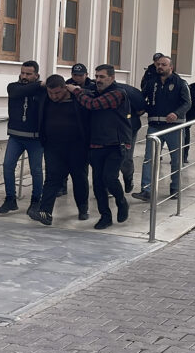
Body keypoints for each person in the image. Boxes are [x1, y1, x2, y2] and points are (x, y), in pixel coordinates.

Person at [67, 64, 132, 230]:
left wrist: (76, 90)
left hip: (115, 144)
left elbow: (93, 104)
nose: (98, 80)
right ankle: (105, 216)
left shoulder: (118, 93)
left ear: (112, 78)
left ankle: (121, 201)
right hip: (96, 144)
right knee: (97, 183)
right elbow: (89, 97)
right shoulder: (95, 92)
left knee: (109, 178)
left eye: (102, 77)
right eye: (96, 77)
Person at [28, 74, 90, 226]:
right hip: (53, 146)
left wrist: (76, 90)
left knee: (79, 177)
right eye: (51, 93)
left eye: (57, 93)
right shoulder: (45, 97)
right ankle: (45, 212)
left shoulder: (77, 98)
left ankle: (83, 209)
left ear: (65, 88)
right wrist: (41, 85)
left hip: (77, 146)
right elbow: (18, 90)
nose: (54, 96)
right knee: (52, 178)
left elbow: (92, 97)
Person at [132, 56, 191, 201]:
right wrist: (141, 109)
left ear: (171, 67)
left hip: (174, 127)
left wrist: (176, 113)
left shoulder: (180, 83)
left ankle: (175, 188)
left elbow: (187, 103)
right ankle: (146, 190)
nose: (160, 67)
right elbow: (143, 99)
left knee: (176, 159)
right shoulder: (151, 83)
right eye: (158, 64)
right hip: (154, 127)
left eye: (163, 64)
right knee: (149, 159)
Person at [0, 60, 45, 216]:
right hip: (16, 137)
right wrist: (40, 84)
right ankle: (10, 199)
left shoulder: (42, 91)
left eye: (28, 74)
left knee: (36, 171)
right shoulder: (14, 87)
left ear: (36, 75)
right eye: (22, 73)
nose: (24, 76)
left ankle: (36, 201)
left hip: (36, 139)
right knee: (7, 166)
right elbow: (17, 93)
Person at [52, 63, 97, 198]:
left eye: (80, 75)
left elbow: (95, 97)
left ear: (86, 75)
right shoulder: (66, 85)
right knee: (64, 164)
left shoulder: (93, 86)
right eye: (74, 75)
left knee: (91, 164)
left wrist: (78, 90)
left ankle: (101, 187)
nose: (77, 78)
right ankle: (62, 186)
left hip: (89, 130)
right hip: (70, 130)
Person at [114, 81, 146, 193]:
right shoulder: (97, 91)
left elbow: (141, 109)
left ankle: (128, 177)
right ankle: (110, 184)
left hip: (129, 129)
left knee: (125, 157)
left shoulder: (129, 92)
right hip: (109, 130)